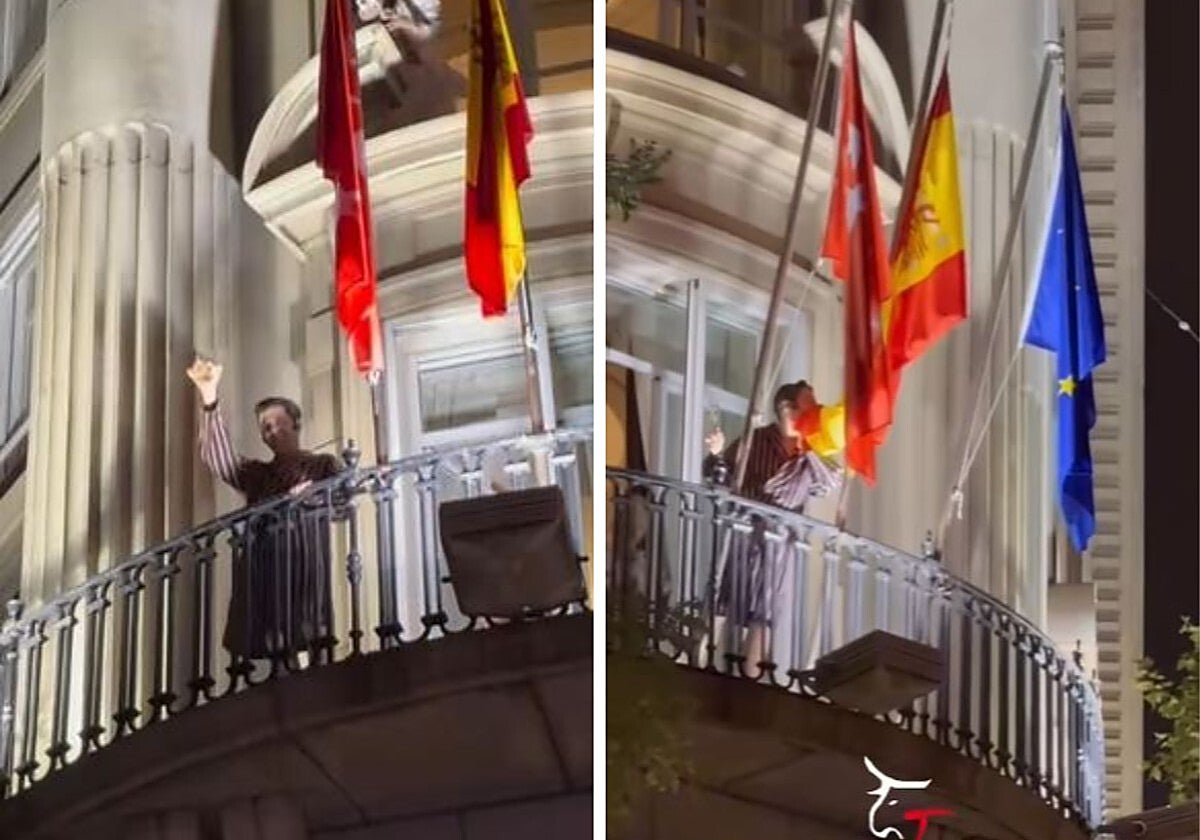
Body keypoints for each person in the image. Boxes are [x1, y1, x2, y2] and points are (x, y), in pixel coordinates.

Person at [187, 357, 342, 664]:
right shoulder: (257, 474)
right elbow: (221, 459)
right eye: (265, 427)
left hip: (305, 564)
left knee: (310, 638)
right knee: (275, 648)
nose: (272, 431)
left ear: (295, 424)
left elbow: (342, 503)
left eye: (278, 423)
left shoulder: (323, 464)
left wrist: (314, 495)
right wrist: (209, 397)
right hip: (264, 567)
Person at [703, 381, 841, 675]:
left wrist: (810, 448)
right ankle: (710, 668)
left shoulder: (810, 452)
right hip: (747, 533)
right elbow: (722, 478)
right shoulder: (757, 441)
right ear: (787, 411)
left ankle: (749, 680)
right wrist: (716, 455)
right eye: (809, 407)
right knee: (730, 599)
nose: (815, 413)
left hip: (781, 544)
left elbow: (829, 483)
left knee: (765, 613)